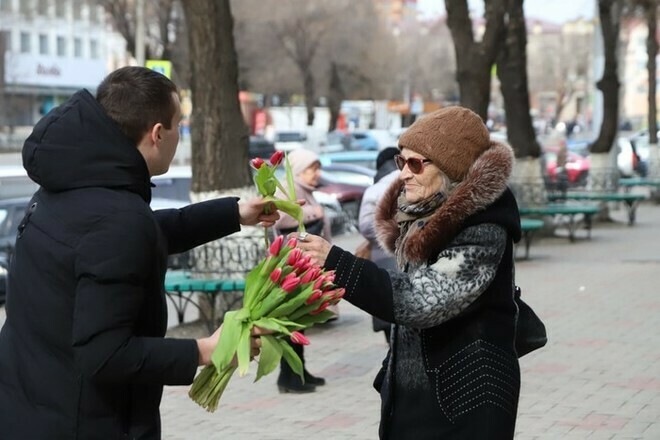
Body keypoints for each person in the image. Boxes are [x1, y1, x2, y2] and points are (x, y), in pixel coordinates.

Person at [0, 66, 280, 440]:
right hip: (86, 423)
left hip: (27, 408)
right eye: (179, 125)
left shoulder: (68, 185)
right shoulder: (117, 218)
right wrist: (203, 350)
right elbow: (104, 354)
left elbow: (132, 240)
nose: (180, 135)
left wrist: (232, 213)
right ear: (157, 134)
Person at [295, 107, 522, 438]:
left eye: (416, 163)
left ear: (451, 168)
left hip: (467, 402)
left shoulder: (483, 225)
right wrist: (392, 374)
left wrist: (338, 263)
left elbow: (421, 301)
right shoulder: (421, 215)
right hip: (417, 399)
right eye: (402, 161)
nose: (403, 174)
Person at [274, 148, 330, 394]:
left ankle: (299, 371)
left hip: (304, 265)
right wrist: (311, 213)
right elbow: (279, 219)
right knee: (291, 322)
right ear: (297, 169)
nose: (316, 173)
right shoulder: (286, 188)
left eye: (317, 168)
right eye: (311, 168)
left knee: (300, 321)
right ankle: (289, 376)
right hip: (291, 266)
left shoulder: (304, 190)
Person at [358, 147, 400, 343]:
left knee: (388, 307)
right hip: (410, 259)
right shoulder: (413, 177)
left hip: (382, 259)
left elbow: (365, 226)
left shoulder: (374, 189)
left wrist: (386, 232)